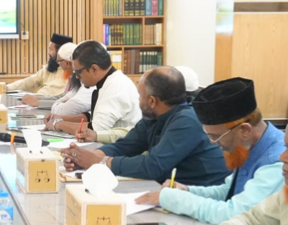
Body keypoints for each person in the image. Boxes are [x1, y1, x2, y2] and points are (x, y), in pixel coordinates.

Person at [136, 78, 284, 225]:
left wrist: (172, 198)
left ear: (244, 130)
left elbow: (234, 213)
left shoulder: (278, 162)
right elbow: (227, 191)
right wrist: (187, 190)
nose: (213, 143)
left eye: (216, 136)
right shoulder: (248, 145)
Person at [62, 66, 229, 186]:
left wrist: (100, 162)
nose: (138, 100)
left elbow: (153, 166)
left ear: (152, 101)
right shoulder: (154, 116)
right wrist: (85, 157)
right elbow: (126, 145)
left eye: (140, 95)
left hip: (202, 195)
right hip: (170, 189)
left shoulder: (187, 121)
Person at [46, 40, 141, 144]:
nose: (76, 76)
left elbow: (94, 130)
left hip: (122, 148)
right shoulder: (108, 81)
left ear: (94, 69)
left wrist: (59, 124)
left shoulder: (116, 87)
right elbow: (92, 116)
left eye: (78, 72)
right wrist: (61, 118)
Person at [8, 33, 72, 96]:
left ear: (60, 52)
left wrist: (36, 98)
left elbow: (52, 93)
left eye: (51, 50)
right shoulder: (50, 67)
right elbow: (30, 81)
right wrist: (7, 88)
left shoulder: (71, 73)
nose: (48, 53)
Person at [40, 42, 93, 117]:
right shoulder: (75, 78)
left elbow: (65, 109)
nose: (59, 64)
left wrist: (39, 102)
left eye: (59, 61)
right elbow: (63, 98)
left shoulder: (89, 82)